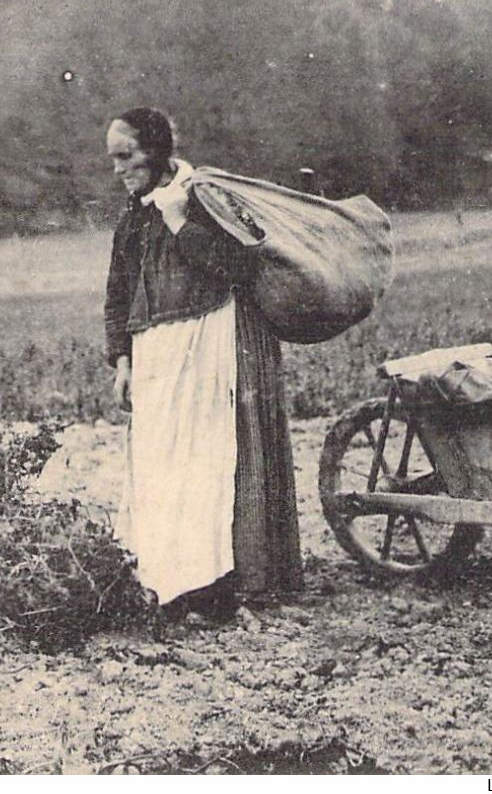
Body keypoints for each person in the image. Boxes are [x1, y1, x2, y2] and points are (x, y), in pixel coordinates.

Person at [103, 108, 302, 618]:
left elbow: (240, 265)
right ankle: (168, 578)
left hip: (207, 344)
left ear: (157, 151)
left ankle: (211, 584)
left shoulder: (202, 196)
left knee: (204, 466)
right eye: (114, 160)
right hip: (154, 357)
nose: (119, 169)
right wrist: (122, 359)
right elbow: (119, 293)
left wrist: (178, 224)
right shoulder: (131, 214)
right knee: (158, 464)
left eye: (126, 157)